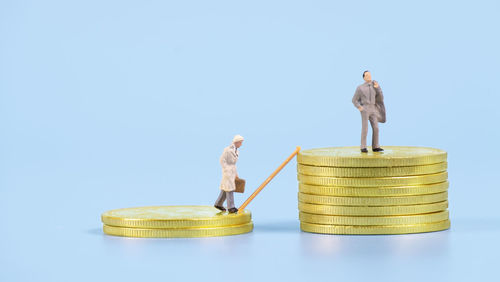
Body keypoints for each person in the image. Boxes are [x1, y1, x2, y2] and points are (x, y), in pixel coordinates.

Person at [352, 70, 386, 153]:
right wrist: (359, 107)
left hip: (373, 108)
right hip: (365, 109)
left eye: (370, 75)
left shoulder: (375, 85)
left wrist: (377, 88)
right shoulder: (360, 88)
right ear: (364, 78)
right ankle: (363, 146)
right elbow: (354, 100)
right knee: (365, 128)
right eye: (367, 75)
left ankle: (375, 146)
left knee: (376, 128)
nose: (369, 77)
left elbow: (381, 97)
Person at [214, 135, 244, 213]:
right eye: (240, 142)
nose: (241, 144)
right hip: (227, 172)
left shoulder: (237, 151)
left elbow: (234, 164)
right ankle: (231, 207)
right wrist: (226, 169)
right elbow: (222, 160)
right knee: (230, 189)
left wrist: (236, 173)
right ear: (236, 142)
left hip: (232, 171)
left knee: (225, 188)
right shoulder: (227, 150)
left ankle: (218, 204)